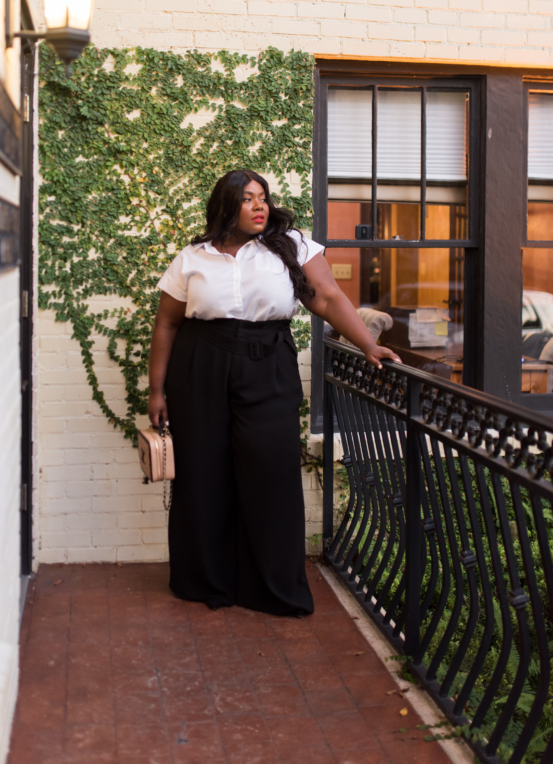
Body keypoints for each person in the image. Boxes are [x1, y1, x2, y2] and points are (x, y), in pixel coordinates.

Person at [148, 169, 400, 617]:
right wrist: (157, 390)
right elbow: (168, 322)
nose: (260, 206)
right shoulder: (194, 256)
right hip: (201, 365)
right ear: (226, 206)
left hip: (268, 362)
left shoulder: (292, 245)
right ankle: (208, 580)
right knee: (204, 472)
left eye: (262, 197)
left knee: (271, 468)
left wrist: (367, 344)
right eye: (247, 199)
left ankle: (271, 587)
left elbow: (327, 298)